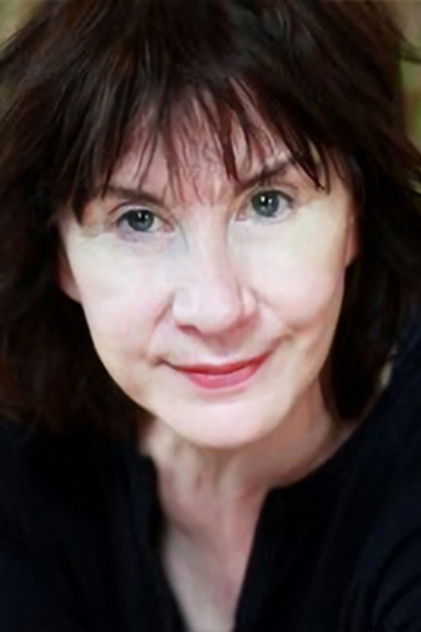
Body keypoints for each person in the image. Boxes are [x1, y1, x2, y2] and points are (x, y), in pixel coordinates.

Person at [0, 0, 420, 630]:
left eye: (269, 202)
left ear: (356, 215)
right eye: (138, 219)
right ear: (59, 253)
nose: (216, 309)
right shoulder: (25, 466)